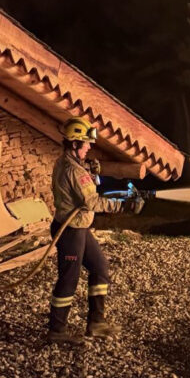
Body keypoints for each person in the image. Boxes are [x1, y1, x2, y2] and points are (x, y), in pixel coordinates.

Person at [49, 117, 144, 343]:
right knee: (69, 279)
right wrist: (123, 206)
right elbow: (91, 202)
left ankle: (96, 323)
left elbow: (80, 189)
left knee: (100, 267)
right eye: (86, 144)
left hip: (79, 228)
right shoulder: (73, 170)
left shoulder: (69, 164)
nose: (89, 147)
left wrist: (89, 173)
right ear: (74, 144)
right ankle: (56, 331)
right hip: (69, 230)